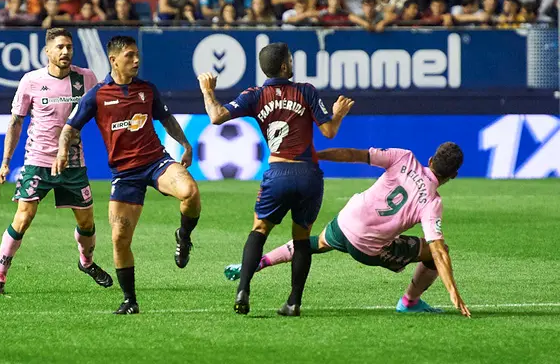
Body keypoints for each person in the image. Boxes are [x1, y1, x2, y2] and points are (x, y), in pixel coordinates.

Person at [223, 143, 471, 317]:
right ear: (454, 175)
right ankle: (409, 302)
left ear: (430, 160)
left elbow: (353, 154)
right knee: (430, 251)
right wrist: (452, 291)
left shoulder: (404, 157)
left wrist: (317, 155)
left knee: (314, 243)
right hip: (367, 248)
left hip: (346, 220)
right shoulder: (432, 202)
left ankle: (258, 263)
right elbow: (438, 251)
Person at [197, 43, 354, 316]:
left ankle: (243, 290)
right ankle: (293, 302)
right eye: (290, 59)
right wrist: (338, 114)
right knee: (302, 239)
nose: (292, 62)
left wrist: (208, 91)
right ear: (284, 66)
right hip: (308, 175)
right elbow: (329, 131)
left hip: (278, 173)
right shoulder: (306, 90)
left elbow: (216, 116)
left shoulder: (255, 95)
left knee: (259, 230)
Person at [56, 36, 201, 315]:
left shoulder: (148, 89)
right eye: (130, 56)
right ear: (114, 60)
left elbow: (166, 119)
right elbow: (70, 127)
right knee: (120, 238)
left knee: (190, 193)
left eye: (137, 56)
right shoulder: (97, 95)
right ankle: (130, 300)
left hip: (156, 161)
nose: (136, 61)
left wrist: (184, 143)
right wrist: (63, 152)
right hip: (125, 173)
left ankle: (183, 236)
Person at [0, 28, 112, 295]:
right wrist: (5, 162)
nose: (65, 52)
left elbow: (104, 111)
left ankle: (86, 262)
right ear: (48, 52)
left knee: (87, 222)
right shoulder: (31, 81)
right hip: (37, 160)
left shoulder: (86, 78)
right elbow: (16, 122)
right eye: (60, 47)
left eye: (69, 47)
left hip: (73, 162)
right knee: (23, 217)